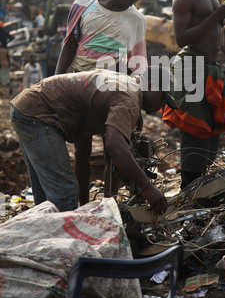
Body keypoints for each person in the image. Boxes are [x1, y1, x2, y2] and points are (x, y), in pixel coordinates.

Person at [10, 66, 177, 214]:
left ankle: (45, 241)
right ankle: (65, 247)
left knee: (45, 199)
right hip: (38, 116)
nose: (161, 107)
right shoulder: (129, 98)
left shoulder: (125, 85)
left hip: (27, 108)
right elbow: (114, 145)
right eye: (162, 99)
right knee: (65, 195)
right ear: (150, 85)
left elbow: (109, 152)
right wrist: (147, 187)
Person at [54, 0, 150, 203]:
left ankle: (109, 204)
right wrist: (56, 81)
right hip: (78, 86)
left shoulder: (137, 19)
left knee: (113, 152)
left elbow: (137, 64)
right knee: (82, 151)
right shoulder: (84, 3)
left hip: (112, 91)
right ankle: (83, 205)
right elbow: (69, 44)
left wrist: (134, 102)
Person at [162, 0, 225, 189]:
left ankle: (202, 191)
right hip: (190, 67)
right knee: (195, 132)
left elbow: (211, 27)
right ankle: (190, 192)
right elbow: (181, 38)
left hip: (210, 68)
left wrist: (224, 18)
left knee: (214, 130)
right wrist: (217, 16)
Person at [0, 21, 13, 91]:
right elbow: (12, 38)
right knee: (6, 76)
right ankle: (10, 88)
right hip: (5, 51)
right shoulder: (5, 32)